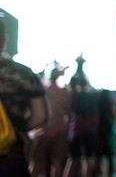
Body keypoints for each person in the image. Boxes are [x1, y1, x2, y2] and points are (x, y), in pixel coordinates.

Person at [0, 18, 47, 176]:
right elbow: (41, 115)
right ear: (4, 39)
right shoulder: (23, 74)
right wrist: (18, 128)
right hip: (11, 156)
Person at [30, 66, 71, 177]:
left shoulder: (44, 91)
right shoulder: (63, 93)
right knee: (57, 163)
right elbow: (68, 111)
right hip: (59, 131)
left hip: (44, 131)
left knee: (38, 164)